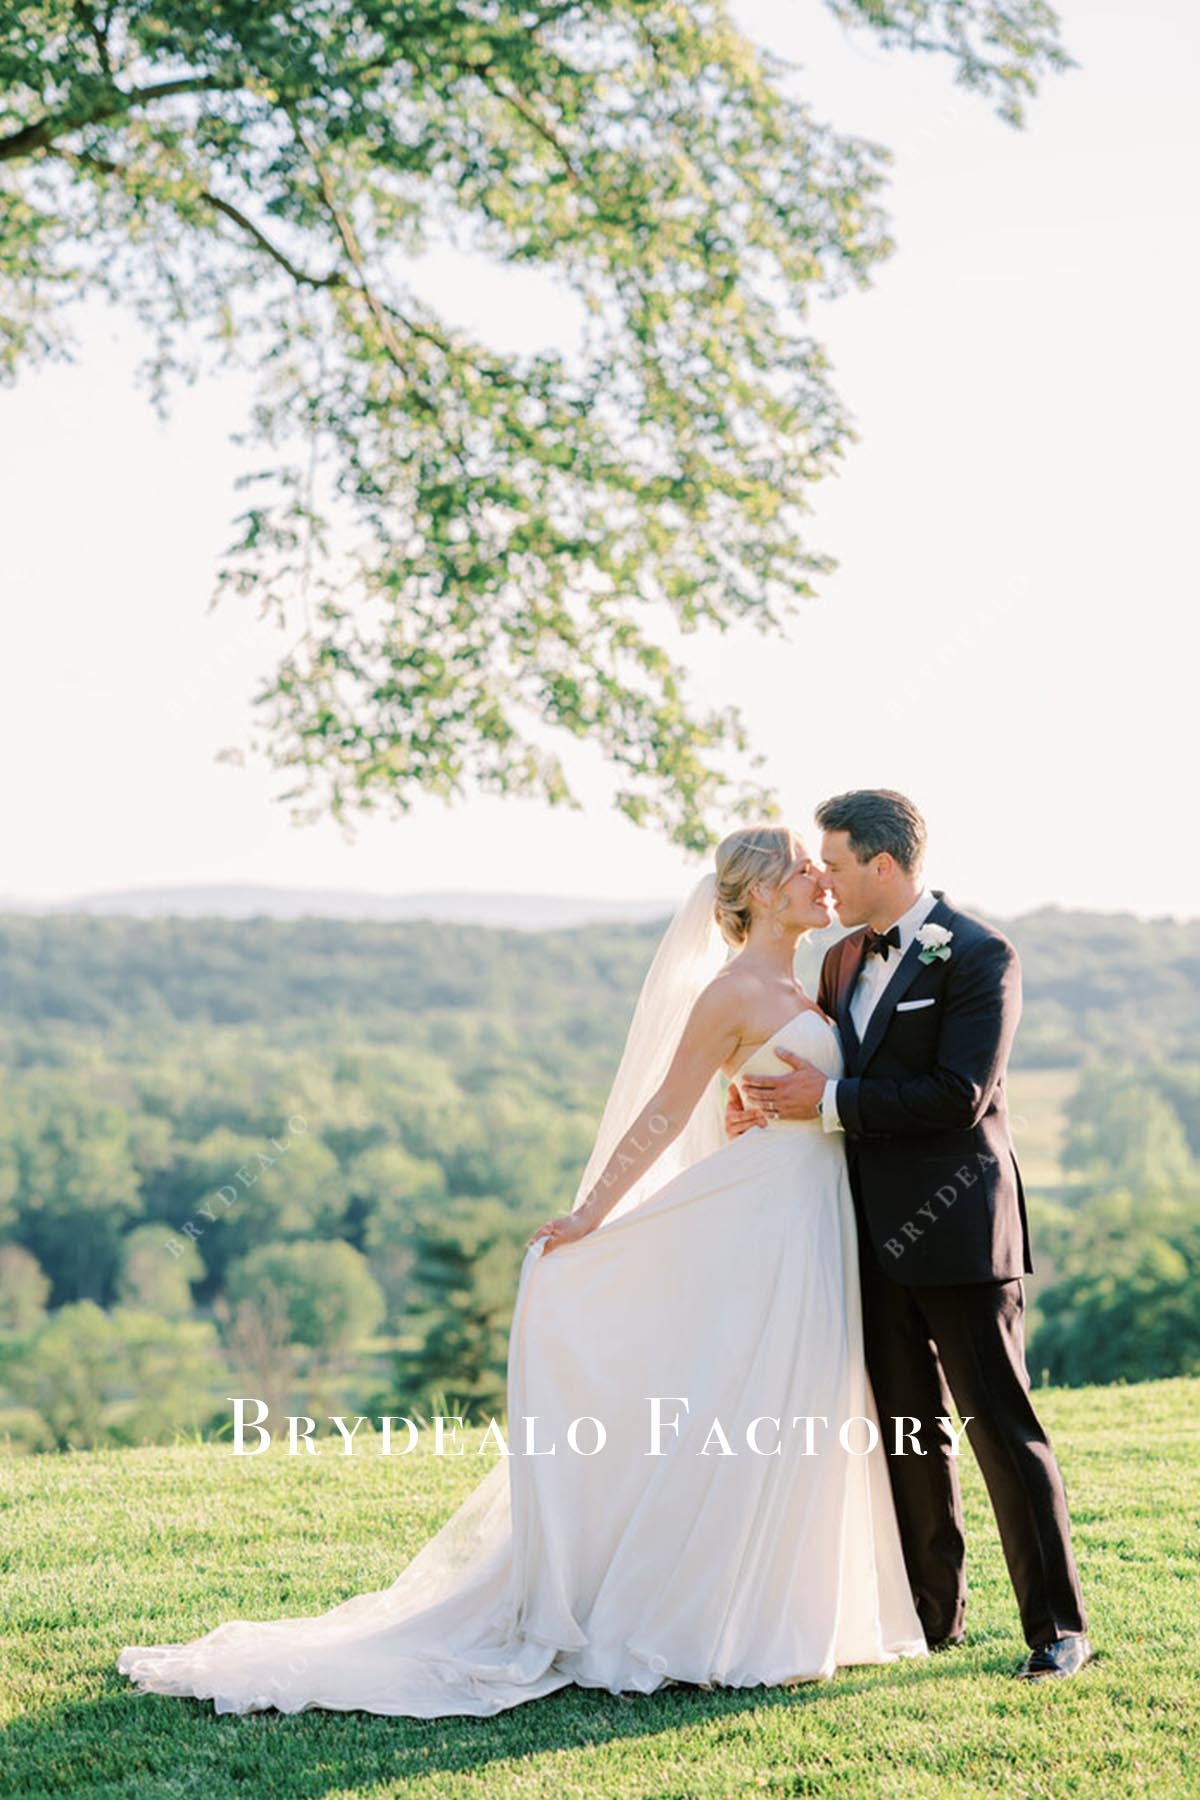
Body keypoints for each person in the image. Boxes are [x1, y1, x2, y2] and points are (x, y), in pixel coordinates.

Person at [116, 824, 927, 1718]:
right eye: (805, 872)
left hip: (807, 1215)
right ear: (765, 893)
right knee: (752, 1399)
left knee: (796, 1401)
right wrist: (590, 1215)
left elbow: (794, 1096)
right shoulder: (729, 992)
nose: (823, 882)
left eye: (826, 868)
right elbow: (663, 1112)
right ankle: (698, 1619)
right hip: (762, 1221)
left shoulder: (808, 982)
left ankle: (783, 1611)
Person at [729, 790, 1091, 1682]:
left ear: (884, 866)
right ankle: (934, 1615)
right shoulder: (840, 959)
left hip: (961, 1234)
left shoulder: (979, 956)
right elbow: (817, 1070)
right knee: (907, 1432)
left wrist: (833, 1105)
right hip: (862, 1240)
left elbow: (959, 1095)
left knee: (1000, 1428)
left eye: (838, 865)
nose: (827, 880)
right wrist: (763, 1112)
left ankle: (1058, 1628)